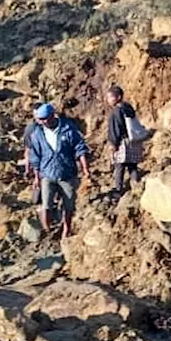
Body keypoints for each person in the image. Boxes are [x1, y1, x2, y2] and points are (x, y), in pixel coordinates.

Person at [25, 103, 91, 238]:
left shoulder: (68, 129)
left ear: (52, 115)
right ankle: (47, 229)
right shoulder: (37, 134)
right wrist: (36, 177)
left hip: (67, 173)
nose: (43, 122)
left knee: (69, 206)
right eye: (41, 119)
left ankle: (66, 229)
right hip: (47, 174)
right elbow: (35, 156)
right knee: (46, 204)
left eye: (45, 118)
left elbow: (80, 148)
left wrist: (85, 169)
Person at [106, 86, 145, 194]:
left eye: (110, 97)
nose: (108, 100)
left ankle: (119, 190)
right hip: (133, 140)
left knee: (119, 167)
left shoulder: (116, 111)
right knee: (133, 165)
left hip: (122, 142)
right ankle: (136, 186)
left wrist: (113, 144)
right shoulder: (128, 107)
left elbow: (116, 129)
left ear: (118, 97)